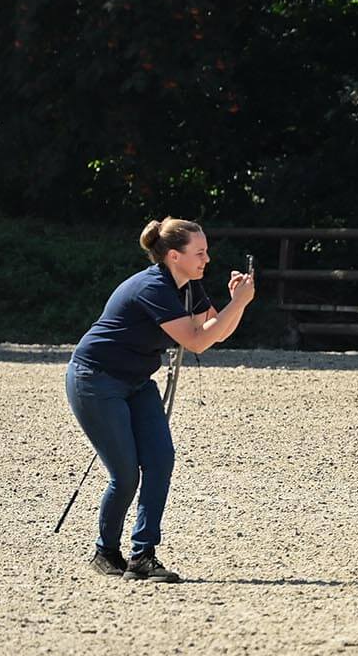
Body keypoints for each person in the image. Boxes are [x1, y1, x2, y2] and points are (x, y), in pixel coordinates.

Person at [66, 217, 255, 582]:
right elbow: (196, 341)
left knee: (160, 460)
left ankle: (142, 555)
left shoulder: (189, 285)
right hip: (95, 380)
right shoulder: (153, 287)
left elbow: (216, 333)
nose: (207, 259)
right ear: (173, 255)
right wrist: (241, 302)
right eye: (199, 252)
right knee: (124, 474)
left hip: (135, 381)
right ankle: (105, 552)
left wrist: (238, 304)